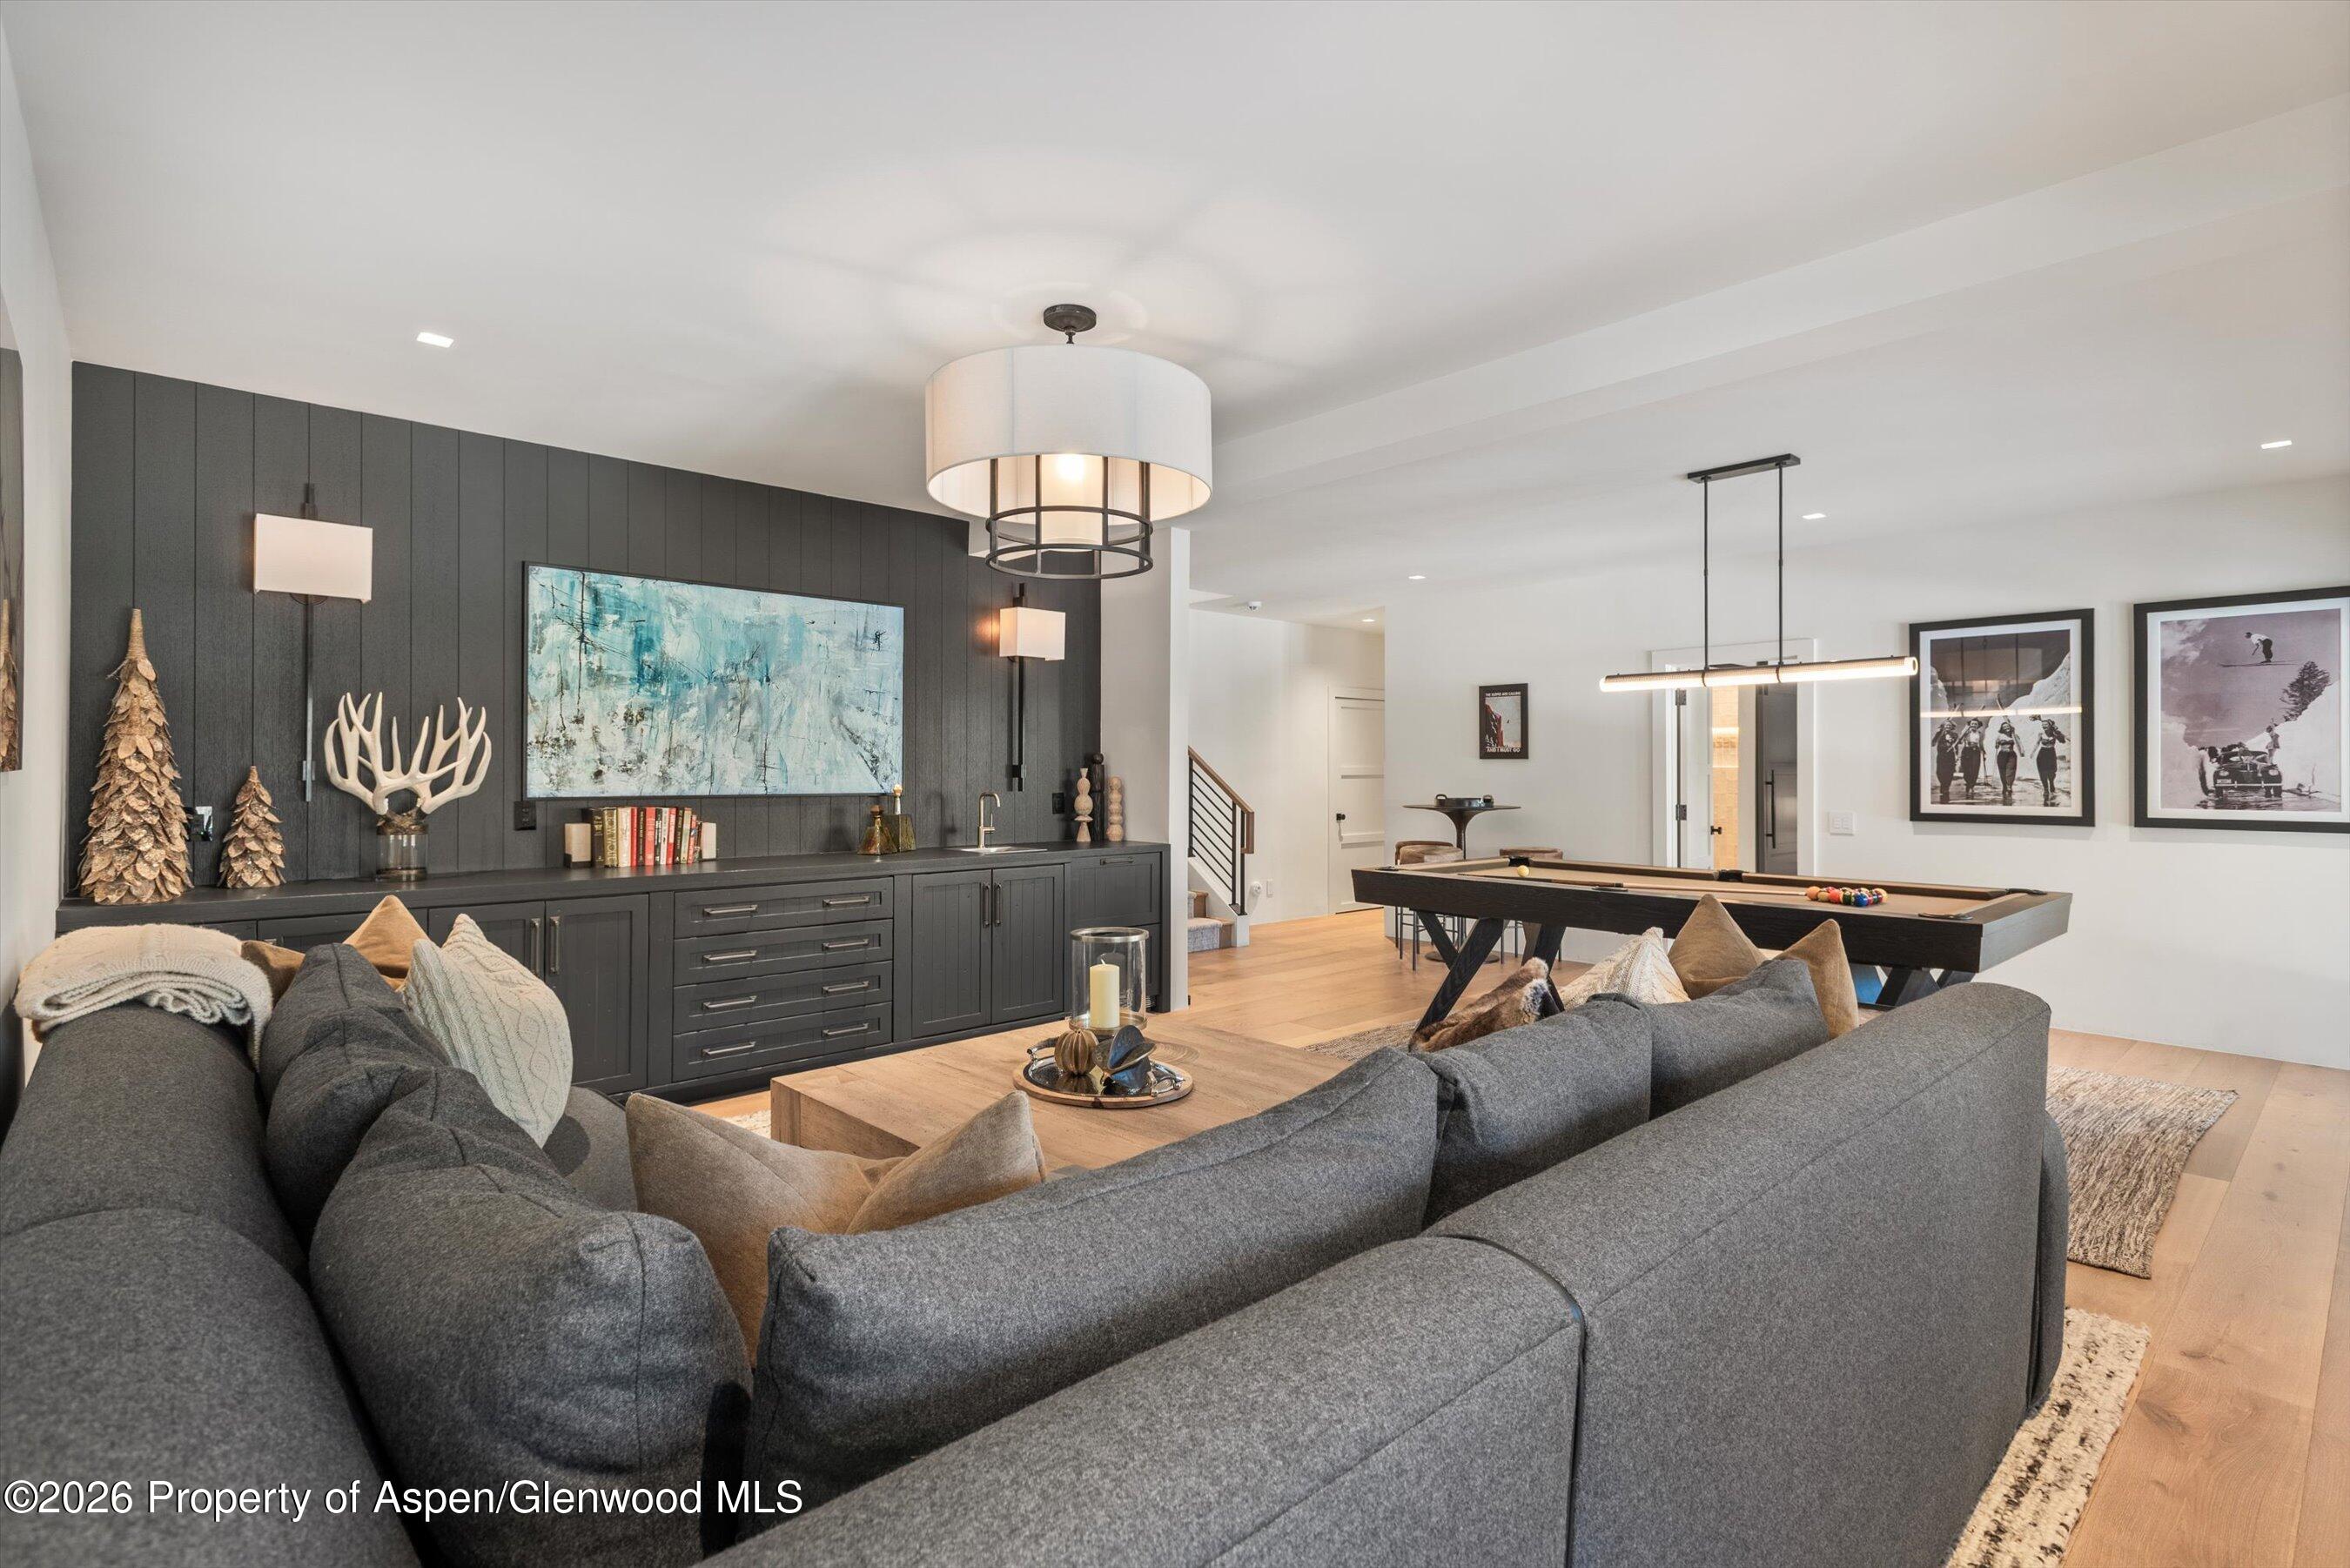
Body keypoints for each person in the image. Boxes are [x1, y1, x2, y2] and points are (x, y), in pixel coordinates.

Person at [2033, 716, 2067, 807]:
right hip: (2042, 754)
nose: (2043, 726)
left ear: (2050, 725)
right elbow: (2037, 743)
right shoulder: (2041, 733)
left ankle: (2051, 783)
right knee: (2043, 772)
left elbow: (2063, 741)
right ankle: (2045, 789)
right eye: (2042, 725)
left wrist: (2057, 733)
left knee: (2052, 772)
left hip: (2051, 753)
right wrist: (2033, 752)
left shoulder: (2054, 733)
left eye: (2045, 724)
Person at [1993, 719, 2020, 806]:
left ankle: (2009, 786)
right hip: (2002, 755)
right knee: (2002, 772)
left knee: (2011, 770)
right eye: (2004, 727)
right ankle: (2004, 786)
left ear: (2010, 727)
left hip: (2011, 755)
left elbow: (2019, 745)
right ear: (2002, 728)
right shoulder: (1999, 736)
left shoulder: (2014, 735)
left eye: (2007, 726)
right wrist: (1997, 743)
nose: (2006, 728)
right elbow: (1996, 746)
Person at [1932, 724, 1958, 804]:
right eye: (1946, 725)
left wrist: (1957, 756)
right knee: (1939, 772)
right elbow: (1932, 743)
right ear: (1944, 727)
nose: (1948, 727)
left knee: (1949, 773)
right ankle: (1944, 785)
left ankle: (1945, 788)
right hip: (1941, 756)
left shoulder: (1955, 735)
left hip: (1950, 756)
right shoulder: (1940, 734)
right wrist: (1937, 733)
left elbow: (1956, 746)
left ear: (1952, 727)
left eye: (1949, 726)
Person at [1957, 720, 1984, 801]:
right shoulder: (1965, 732)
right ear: (1969, 725)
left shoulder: (1979, 734)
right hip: (1966, 751)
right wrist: (1963, 735)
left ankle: (1971, 786)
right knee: (1966, 769)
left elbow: (1981, 744)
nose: (1973, 725)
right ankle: (1969, 784)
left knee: (1975, 769)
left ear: (1978, 726)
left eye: (1975, 724)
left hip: (1976, 751)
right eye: (1972, 724)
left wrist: (1984, 752)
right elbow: (1960, 742)